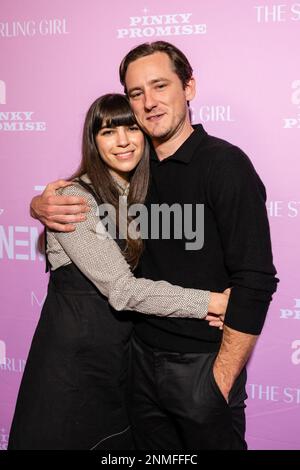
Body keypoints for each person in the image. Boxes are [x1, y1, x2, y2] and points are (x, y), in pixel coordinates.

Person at [29, 41, 279, 450]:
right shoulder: (136, 175)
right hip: (136, 364)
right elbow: (97, 235)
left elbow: (255, 279)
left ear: (189, 88)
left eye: (160, 86)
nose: (148, 103)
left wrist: (220, 380)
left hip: (201, 366)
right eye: (136, 93)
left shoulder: (225, 165)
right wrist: (41, 206)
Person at [8, 93, 227, 451]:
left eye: (131, 128)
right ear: (93, 141)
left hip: (119, 363)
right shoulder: (75, 201)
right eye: (108, 132)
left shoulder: (141, 193)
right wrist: (213, 302)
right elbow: (124, 290)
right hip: (72, 368)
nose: (123, 141)